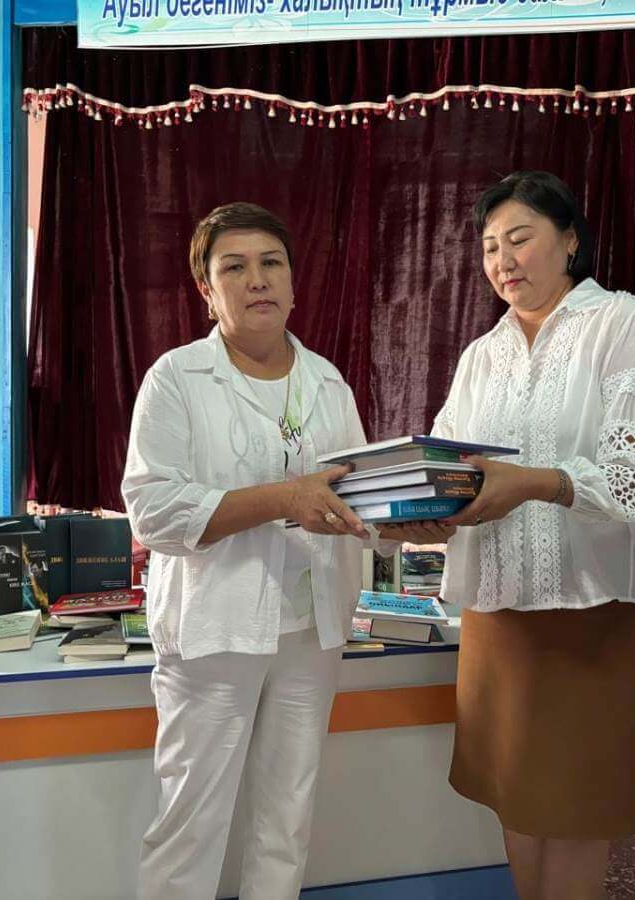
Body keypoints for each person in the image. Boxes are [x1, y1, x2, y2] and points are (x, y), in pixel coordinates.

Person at [122, 202, 397, 900]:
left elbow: (355, 496)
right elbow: (154, 511)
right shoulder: (177, 379)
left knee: (287, 818)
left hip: (311, 630)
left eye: (271, 263)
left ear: (294, 283)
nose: (257, 280)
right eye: (234, 268)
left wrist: (409, 517)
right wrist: (283, 499)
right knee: (190, 822)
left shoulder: (326, 381)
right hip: (214, 633)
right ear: (207, 289)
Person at [431, 171, 635, 900]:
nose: (503, 260)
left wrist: (535, 482)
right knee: (514, 795)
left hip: (592, 609)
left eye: (520, 238)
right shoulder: (482, 355)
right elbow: (448, 465)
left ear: (570, 240)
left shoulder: (626, 324)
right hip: (497, 608)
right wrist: (420, 509)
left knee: (577, 805)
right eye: (489, 248)